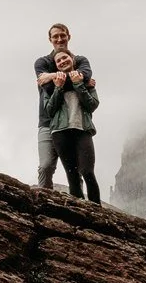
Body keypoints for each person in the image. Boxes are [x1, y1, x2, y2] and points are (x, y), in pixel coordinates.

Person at [34, 23, 94, 190]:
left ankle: (79, 205)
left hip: (74, 122)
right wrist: (75, 80)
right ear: (50, 39)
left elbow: (85, 76)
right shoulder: (42, 62)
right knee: (46, 166)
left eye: (62, 35)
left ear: (68, 36)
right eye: (55, 36)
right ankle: (43, 204)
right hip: (48, 120)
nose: (59, 39)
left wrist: (52, 77)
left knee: (76, 170)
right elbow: (48, 87)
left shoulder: (80, 60)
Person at [40, 47, 101, 203]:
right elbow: (49, 110)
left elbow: (92, 105)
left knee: (87, 171)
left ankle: (97, 211)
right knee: (72, 174)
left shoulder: (86, 82)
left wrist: (78, 84)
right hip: (60, 132)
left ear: (73, 59)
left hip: (83, 130)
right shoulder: (50, 85)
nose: (62, 61)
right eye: (58, 60)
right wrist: (59, 87)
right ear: (56, 66)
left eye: (65, 58)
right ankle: (80, 213)